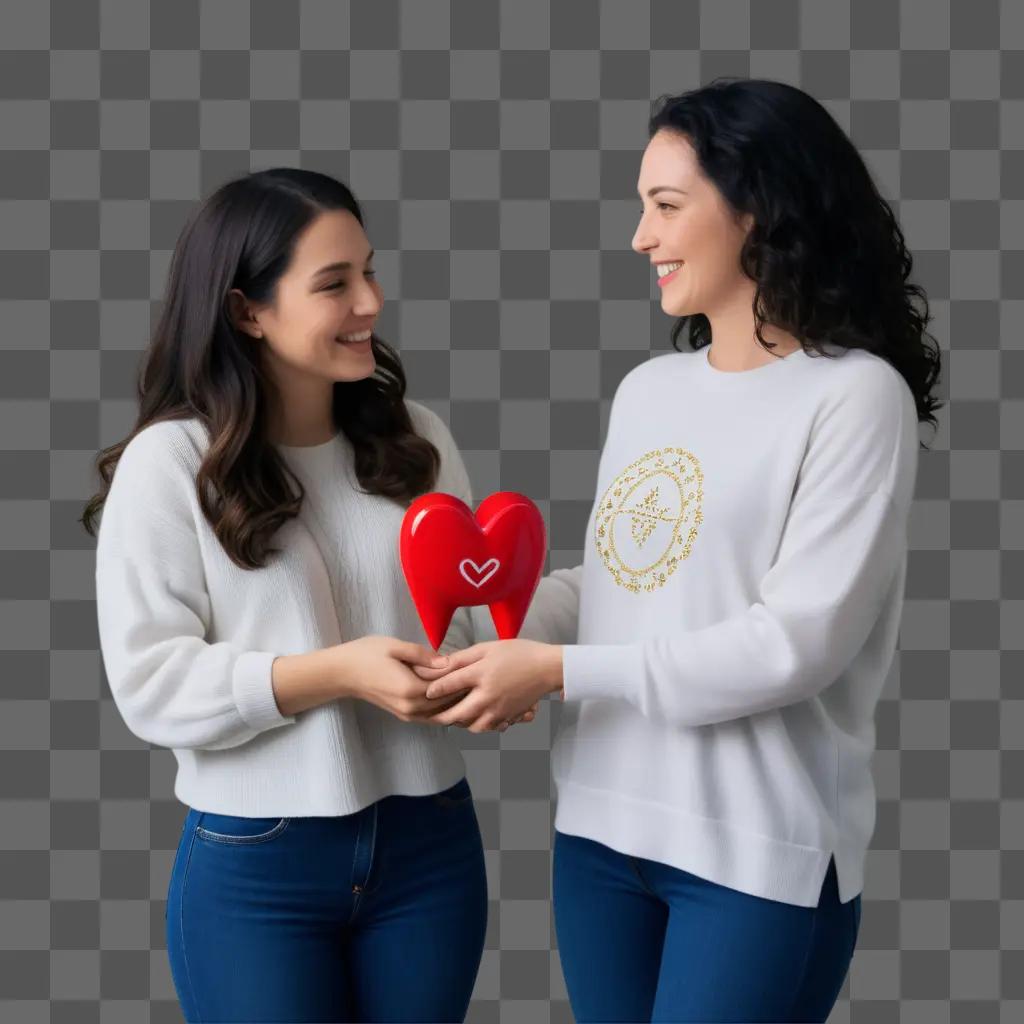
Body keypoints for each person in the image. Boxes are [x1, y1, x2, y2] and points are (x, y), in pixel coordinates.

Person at [417, 78, 943, 1023]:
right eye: (641, 208)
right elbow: (621, 587)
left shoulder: (856, 399)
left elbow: (795, 644)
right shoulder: (651, 390)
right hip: (600, 830)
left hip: (751, 851)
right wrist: (492, 634)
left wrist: (554, 671)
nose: (641, 237)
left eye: (666, 207)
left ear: (760, 211)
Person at [81, 167, 535, 1023]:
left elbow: (473, 619)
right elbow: (150, 684)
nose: (370, 301)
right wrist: (337, 673)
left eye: (369, 270)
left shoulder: (417, 441)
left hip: (429, 842)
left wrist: (492, 679)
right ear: (247, 310)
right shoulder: (173, 465)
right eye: (334, 284)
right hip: (258, 864)